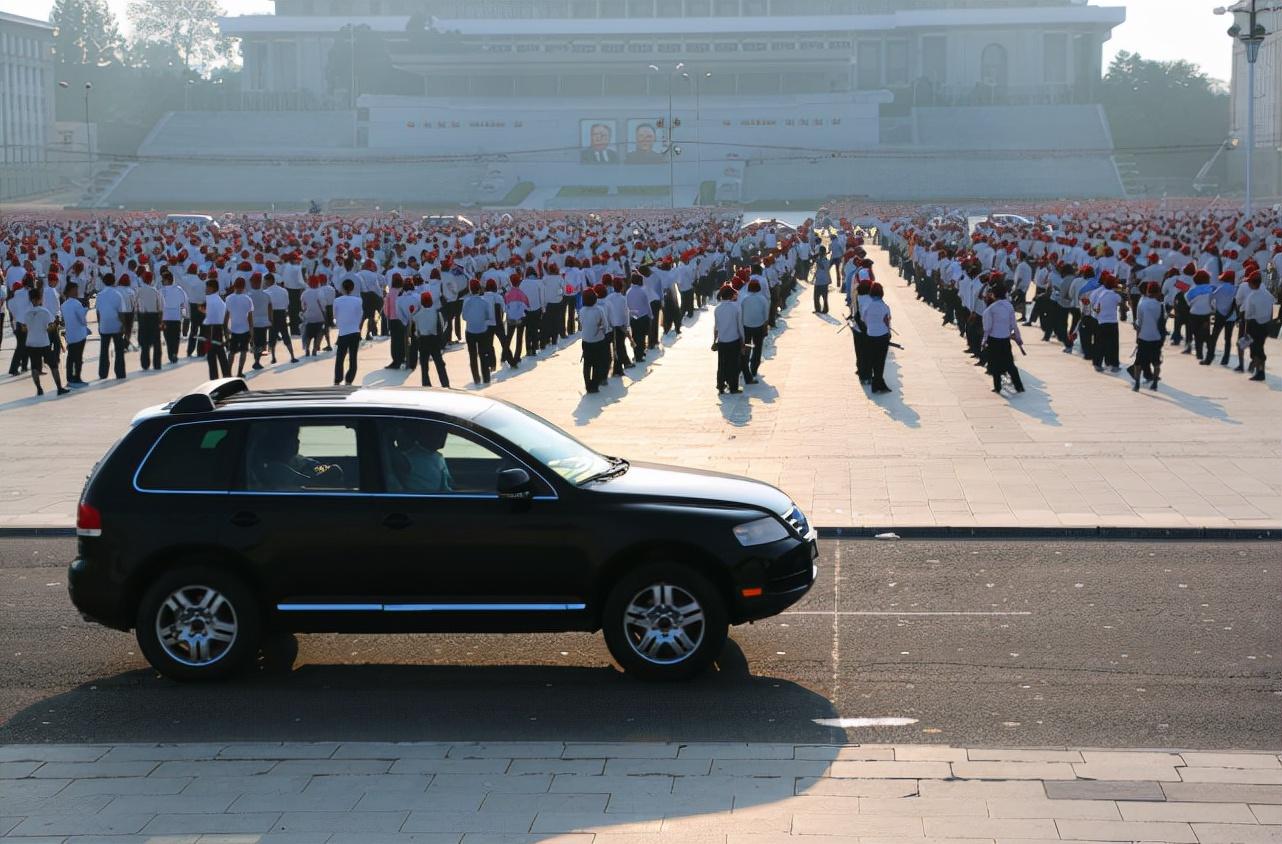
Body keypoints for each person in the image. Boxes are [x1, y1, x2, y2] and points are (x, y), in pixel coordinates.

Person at [22, 286, 68, 396]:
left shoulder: (26, 313)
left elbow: (24, 329)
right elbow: (50, 328)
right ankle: (59, 388)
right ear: (39, 299)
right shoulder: (45, 312)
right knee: (53, 365)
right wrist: (56, 324)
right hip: (43, 342)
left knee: (34, 367)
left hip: (31, 343)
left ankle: (39, 389)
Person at [981, 284, 1025, 394]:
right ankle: (1019, 386)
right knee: (1010, 363)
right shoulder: (1009, 306)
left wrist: (984, 340)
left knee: (995, 363)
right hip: (1005, 339)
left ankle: (998, 387)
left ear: (994, 295)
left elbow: (987, 328)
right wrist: (1018, 337)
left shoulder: (990, 309)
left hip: (994, 339)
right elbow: (1013, 325)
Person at [390, 423, 453, 493]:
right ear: (425, 433)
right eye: (439, 433)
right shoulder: (407, 458)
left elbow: (445, 489)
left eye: (444, 433)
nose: (443, 437)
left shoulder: (438, 457)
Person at [1130, 281, 1165, 391]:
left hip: (1143, 336)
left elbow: (1139, 322)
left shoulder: (1142, 303)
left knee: (1138, 362)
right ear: (1157, 292)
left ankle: (1137, 384)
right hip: (1156, 337)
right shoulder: (1160, 305)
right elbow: (1162, 321)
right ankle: (1154, 383)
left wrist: (1137, 333)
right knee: (1156, 362)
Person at [411, 290, 449, 388]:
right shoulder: (436, 312)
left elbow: (416, 331)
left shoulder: (418, 315)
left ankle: (426, 384)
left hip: (423, 341)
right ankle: (445, 384)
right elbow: (442, 326)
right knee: (439, 364)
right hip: (434, 340)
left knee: (424, 366)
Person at [1243, 271, 1276, 382]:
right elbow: (1272, 308)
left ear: (1252, 284)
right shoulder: (1267, 294)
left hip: (1254, 325)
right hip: (1265, 325)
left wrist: (1246, 331)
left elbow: (1248, 315)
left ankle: (1259, 371)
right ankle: (1260, 370)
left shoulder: (1251, 297)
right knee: (1260, 347)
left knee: (1255, 350)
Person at [863, 282, 894, 394]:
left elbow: (864, 319)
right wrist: (889, 333)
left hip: (871, 335)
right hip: (882, 336)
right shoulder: (885, 307)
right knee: (880, 361)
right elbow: (887, 321)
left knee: (873, 360)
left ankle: (877, 382)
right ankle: (878, 384)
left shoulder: (868, 306)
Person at [712, 284, 744, 395]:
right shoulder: (736, 308)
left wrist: (714, 339)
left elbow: (716, 327)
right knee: (734, 364)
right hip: (734, 339)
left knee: (721, 364)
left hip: (722, 341)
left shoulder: (717, 309)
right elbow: (740, 326)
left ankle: (720, 385)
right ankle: (733, 386)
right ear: (731, 295)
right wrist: (743, 341)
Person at [461, 278, 494, 385]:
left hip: (470, 331)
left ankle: (476, 378)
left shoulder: (466, 301)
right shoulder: (484, 302)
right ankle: (486, 377)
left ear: (470, 289)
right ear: (479, 289)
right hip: (482, 330)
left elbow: (464, 316)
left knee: (472, 355)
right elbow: (488, 316)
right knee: (483, 354)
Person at [96, 274, 127, 380]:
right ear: (114, 281)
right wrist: (123, 325)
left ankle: (103, 373)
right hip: (116, 325)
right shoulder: (118, 294)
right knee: (119, 350)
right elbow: (121, 312)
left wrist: (99, 325)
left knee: (104, 350)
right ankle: (120, 373)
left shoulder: (100, 295)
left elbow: (98, 312)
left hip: (104, 325)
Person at [332, 278, 363, 386]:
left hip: (343, 331)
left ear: (342, 288)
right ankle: (349, 379)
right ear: (353, 288)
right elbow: (360, 315)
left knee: (340, 357)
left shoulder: (337, 300)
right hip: (355, 331)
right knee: (353, 357)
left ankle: (337, 378)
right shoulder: (358, 300)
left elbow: (334, 315)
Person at [578, 287, 609, 393]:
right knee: (597, 363)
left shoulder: (581, 311)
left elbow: (582, 323)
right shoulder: (599, 310)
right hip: (598, 340)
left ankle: (588, 385)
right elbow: (605, 325)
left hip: (586, 340)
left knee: (587, 364)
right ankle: (594, 385)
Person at [740, 278, 770, 384]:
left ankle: (746, 368)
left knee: (747, 347)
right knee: (757, 349)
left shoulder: (744, 299)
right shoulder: (762, 299)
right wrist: (765, 328)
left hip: (746, 327)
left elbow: (741, 313)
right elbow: (766, 316)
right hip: (759, 326)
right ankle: (754, 369)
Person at [201, 278, 231, 380]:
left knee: (212, 356)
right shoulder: (218, 300)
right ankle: (227, 375)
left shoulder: (211, 300)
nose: (205, 289)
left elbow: (208, 316)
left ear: (212, 288)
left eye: (207, 287)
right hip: (217, 328)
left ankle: (214, 378)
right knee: (220, 353)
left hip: (211, 329)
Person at [264, 274, 297, 364]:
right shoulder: (284, 290)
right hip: (282, 313)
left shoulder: (266, 292)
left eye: (265, 281)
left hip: (273, 314)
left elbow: (267, 306)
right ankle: (292, 356)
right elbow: (287, 303)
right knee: (285, 335)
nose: (265, 283)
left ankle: (273, 358)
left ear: (269, 281)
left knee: (272, 336)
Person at [61, 281, 89, 386]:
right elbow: (82, 321)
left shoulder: (64, 305)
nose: (77, 292)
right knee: (78, 358)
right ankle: (77, 378)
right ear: (71, 291)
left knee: (71, 357)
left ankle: (70, 378)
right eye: (75, 290)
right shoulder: (77, 304)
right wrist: (86, 309)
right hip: (79, 335)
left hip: (70, 335)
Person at [224, 278, 254, 377]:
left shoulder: (228, 298)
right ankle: (239, 372)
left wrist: (226, 334)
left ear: (234, 285)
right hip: (245, 329)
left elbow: (226, 317)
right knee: (243, 352)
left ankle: (228, 373)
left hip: (233, 330)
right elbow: (250, 319)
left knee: (231, 352)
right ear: (244, 286)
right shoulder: (247, 299)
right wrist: (252, 333)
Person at [134, 273, 164, 371]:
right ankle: (157, 364)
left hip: (143, 317)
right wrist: (161, 320)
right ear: (151, 280)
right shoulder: (155, 291)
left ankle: (145, 364)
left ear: (143, 279)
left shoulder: (138, 290)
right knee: (156, 342)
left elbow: (134, 304)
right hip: (154, 317)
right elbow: (160, 307)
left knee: (144, 341)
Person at [160, 272, 188, 365]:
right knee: (175, 338)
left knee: (168, 338)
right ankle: (174, 354)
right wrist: (184, 315)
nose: (162, 281)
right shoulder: (179, 290)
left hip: (166, 318)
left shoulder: (161, 291)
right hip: (176, 318)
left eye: (163, 279)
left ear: (167, 280)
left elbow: (159, 305)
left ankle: (171, 354)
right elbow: (184, 304)